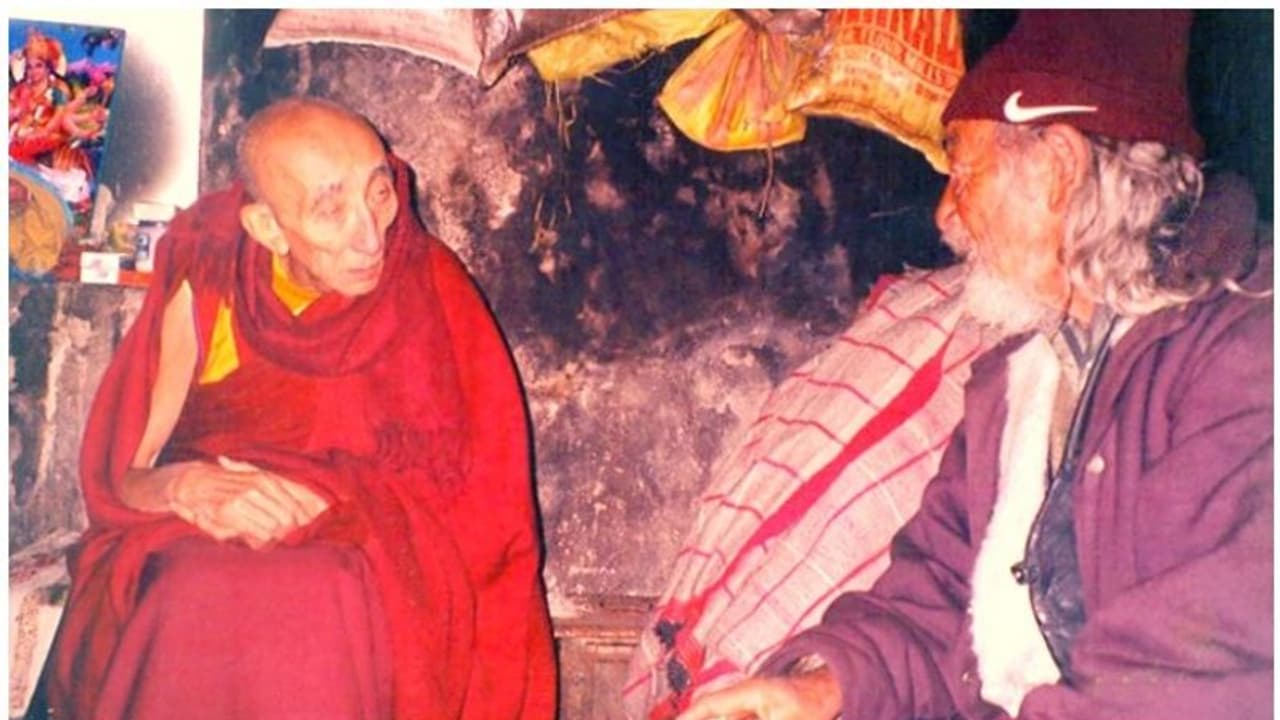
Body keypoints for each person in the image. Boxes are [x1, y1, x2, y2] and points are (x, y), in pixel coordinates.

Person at [679, 10, 1271, 720]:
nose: (945, 215)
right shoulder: (1022, 375)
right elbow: (936, 596)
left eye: (962, 172)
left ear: (1056, 169)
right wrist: (818, 690)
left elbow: (1191, 679)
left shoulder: (1247, 351)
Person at [47, 97, 557, 719]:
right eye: (330, 211)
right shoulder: (210, 269)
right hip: (208, 540)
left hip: (368, 565)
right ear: (266, 227)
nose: (370, 237)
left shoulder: (432, 288)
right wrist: (186, 486)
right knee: (191, 589)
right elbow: (127, 478)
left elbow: (492, 521)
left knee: (318, 593)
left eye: (379, 194)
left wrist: (342, 503)